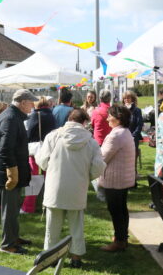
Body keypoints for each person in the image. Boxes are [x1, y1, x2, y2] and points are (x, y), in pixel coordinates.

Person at [35, 109, 106, 268]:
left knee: (52, 226)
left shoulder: (53, 136)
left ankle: (50, 258)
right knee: (76, 225)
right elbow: (98, 167)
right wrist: (87, 177)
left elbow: (43, 161)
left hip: (55, 186)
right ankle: (76, 258)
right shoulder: (91, 141)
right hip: (77, 187)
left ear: (69, 119)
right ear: (84, 122)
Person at [0, 89, 38, 255]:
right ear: (23, 102)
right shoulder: (10, 118)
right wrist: (12, 173)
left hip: (13, 170)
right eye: (31, 102)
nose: (33, 105)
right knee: (9, 210)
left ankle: (13, 237)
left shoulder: (13, 116)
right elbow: (6, 149)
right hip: (9, 173)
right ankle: (7, 244)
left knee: (13, 209)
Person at [99, 105, 135, 252]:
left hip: (115, 180)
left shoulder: (116, 135)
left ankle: (119, 241)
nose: (107, 118)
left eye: (110, 116)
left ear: (118, 118)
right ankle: (122, 238)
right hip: (122, 179)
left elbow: (102, 158)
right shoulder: (125, 132)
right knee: (121, 209)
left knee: (116, 210)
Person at [21, 96, 56, 214]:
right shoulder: (51, 115)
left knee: (33, 178)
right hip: (49, 149)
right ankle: (48, 205)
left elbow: (29, 133)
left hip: (36, 151)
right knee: (48, 178)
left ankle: (28, 206)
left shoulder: (36, 115)